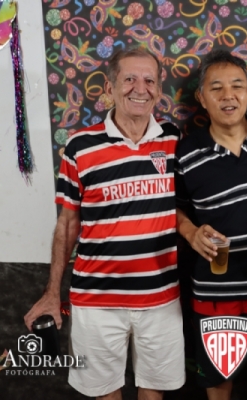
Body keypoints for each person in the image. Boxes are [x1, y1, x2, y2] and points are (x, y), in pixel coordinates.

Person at [24, 46, 185, 400]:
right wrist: (52, 293)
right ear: (110, 87)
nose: (140, 88)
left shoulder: (174, 140)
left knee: (154, 394)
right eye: (130, 79)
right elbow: (67, 224)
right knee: (104, 394)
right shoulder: (80, 146)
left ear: (159, 89)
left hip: (161, 299)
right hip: (96, 301)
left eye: (149, 80)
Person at [175, 49, 247, 400]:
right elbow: (174, 209)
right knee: (218, 379)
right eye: (216, 88)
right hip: (216, 292)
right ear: (201, 98)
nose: (228, 95)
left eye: (237, 86)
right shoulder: (186, 154)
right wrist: (191, 232)